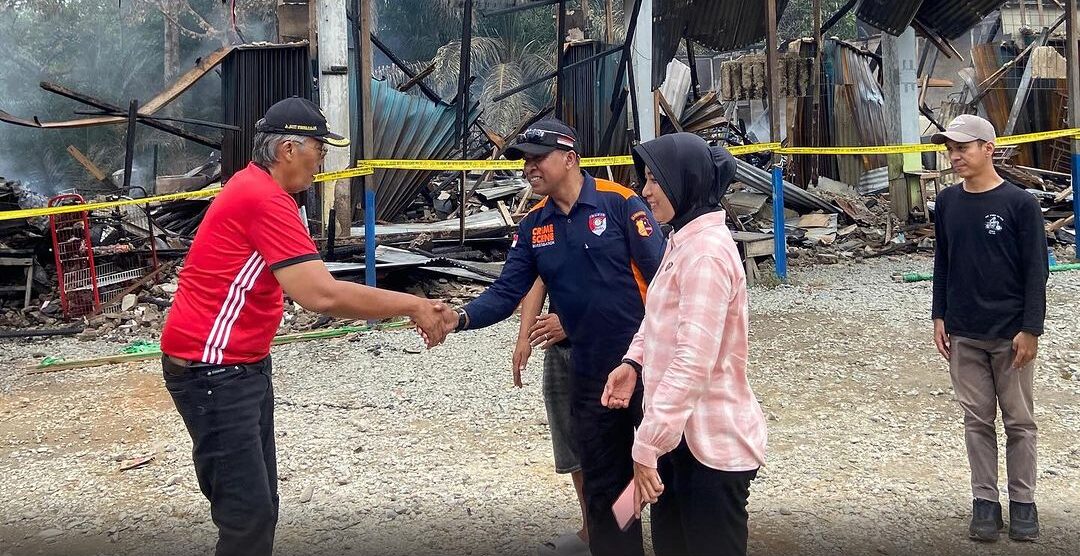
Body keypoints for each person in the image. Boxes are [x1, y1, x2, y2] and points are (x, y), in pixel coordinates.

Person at [159, 96, 449, 556]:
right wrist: (412, 305)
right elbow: (322, 294)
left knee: (258, 507)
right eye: (320, 147)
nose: (323, 160)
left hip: (238, 366)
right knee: (246, 519)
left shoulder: (260, 189)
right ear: (288, 150)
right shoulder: (263, 199)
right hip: (212, 368)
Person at [442, 118, 666, 556]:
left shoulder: (622, 204)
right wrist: (459, 318)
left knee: (667, 475)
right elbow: (508, 290)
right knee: (605, 486)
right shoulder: (533, 227)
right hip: (591, 380)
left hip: (646, 368)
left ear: (570, 158)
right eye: (525, 160)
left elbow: (663, 283)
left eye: (537, 157)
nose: (529, 167)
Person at [601, 133, 767, 556]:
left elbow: (693, 361)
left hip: (707, 447)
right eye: (646, 178)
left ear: (685, 181)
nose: (645, 190)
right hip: (677, 438)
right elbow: (659, 318)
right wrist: (633, 363)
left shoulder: (706, 255)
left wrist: (647, 445)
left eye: (657, 179)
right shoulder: (683, 239)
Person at [930, 114, 1048, 543]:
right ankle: (985, 502)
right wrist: (939, 314)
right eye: (950, 149)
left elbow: (1037, 271)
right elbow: (944, 260)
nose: (955, 156)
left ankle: (1023, 504)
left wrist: (1031, 327)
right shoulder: (947, 202)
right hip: (963, 332)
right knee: (976, 420)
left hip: (1010, 334)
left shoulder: (1021, 204)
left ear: (987, 149)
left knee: (1019, 421)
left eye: (962, 148)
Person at [512, 278, 588, 554]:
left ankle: (618, 526)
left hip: (602, 346)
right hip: (557, 345)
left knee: (610, 448)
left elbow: (619, 282)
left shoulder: (619, 232)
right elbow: (538, 279)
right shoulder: (545, 233)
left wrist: (573, 321)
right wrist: (524, 338)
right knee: (570, 441)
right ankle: (592, 528)